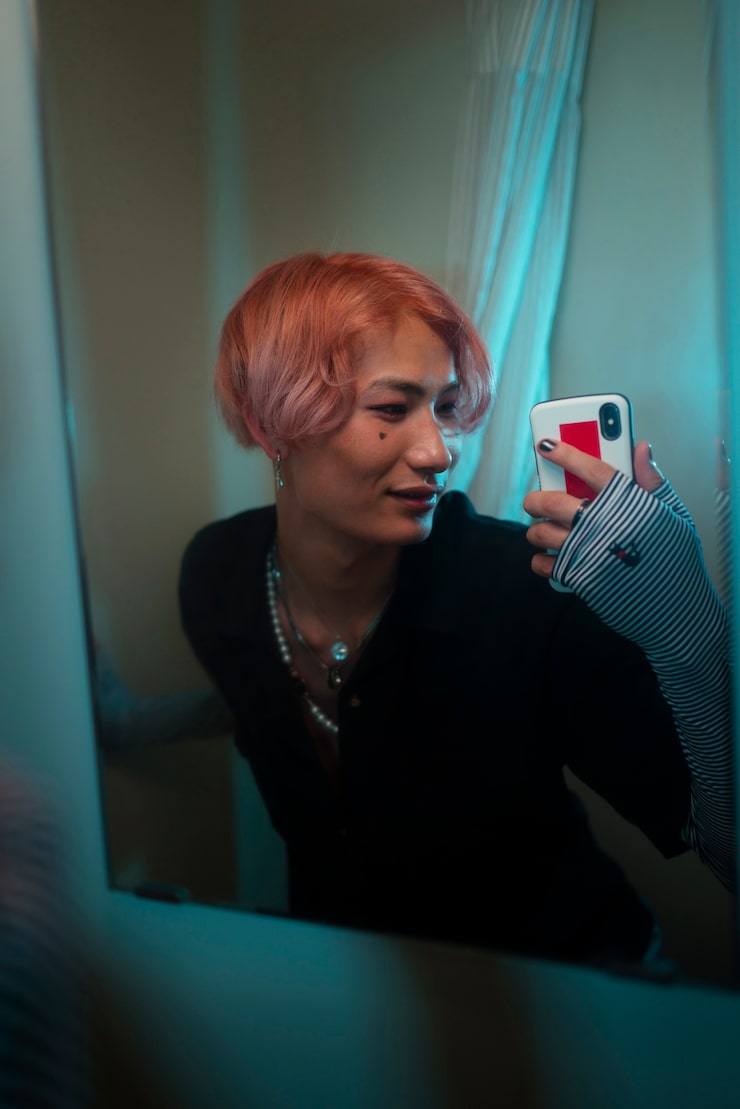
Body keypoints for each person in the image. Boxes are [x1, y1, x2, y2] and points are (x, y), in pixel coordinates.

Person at [179, 251, 733, 968]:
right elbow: (254, 708)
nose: (440, 452)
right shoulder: (218, 578)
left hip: (573, 983)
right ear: (270, 424)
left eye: (445, 408)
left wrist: (687, 627)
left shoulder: (525, 592)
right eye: (392, 408)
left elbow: (723, 840)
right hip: (350, 991)